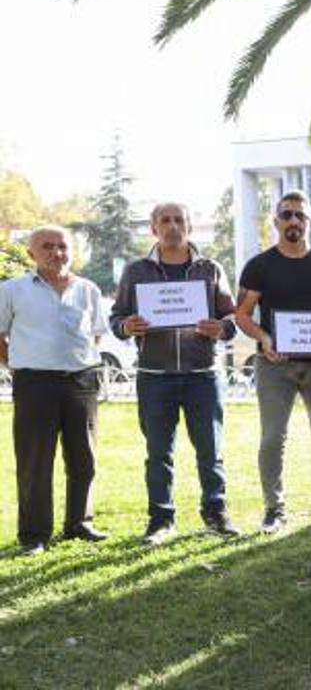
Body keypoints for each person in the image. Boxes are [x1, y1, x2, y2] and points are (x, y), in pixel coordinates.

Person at [111, 203, 240, 545]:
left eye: (179, 220)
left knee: (210, 450)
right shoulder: (136, 271)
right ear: (153, 229)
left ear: (190, 227)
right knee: (158, 452)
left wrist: (221, 329)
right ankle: (161, 519)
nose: (172, 226)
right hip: (155, 375)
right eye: (164, 221)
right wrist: (127, 325)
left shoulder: (209, 268)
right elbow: (117, 318)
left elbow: (232, 318)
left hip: (203, 375)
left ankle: (216, 512)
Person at [235, 191, 311, 534]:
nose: (293, 221)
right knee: (273, 438)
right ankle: (274, 510)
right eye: (286, 215)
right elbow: (242, 314)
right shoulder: (260, 266)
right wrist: (264, 338)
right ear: (276, 221)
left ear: (309, 222)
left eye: (299, 216)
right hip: (274, 364)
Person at [0, 226, 110, 555]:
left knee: (84, 458)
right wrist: (18, 364)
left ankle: (80, 523)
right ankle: (34, 534)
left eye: (62, 246)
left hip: (81, 382)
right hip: (34, 383)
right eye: (47, 246)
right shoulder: (12, 290)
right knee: (35, 460)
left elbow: (96, 335)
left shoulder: (88, 289)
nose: (56, 252)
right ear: (31, 253)